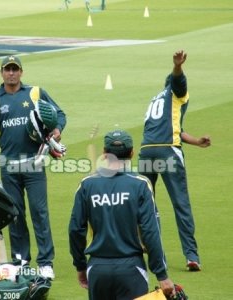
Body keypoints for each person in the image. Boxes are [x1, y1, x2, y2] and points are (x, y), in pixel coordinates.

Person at [0, 55, 66, 280]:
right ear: (2, 73)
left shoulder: (35, 93)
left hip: (34, 163)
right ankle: (21, 260)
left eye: (15, 69)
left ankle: (45, 262)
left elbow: (60, 115)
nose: (11, 73)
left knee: (40, 213)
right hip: (9, 168)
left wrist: (56, 131)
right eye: (7, 69)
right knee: (15, 216)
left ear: (21, 72)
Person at [69, 129, 176, 300]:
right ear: (132, 153)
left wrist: (80, 266)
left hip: (97, 269)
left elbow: (75, 229)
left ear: (104, 154)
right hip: (131, 269)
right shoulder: (141, 185)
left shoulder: (87, 185)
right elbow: (151, 231)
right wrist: (161, 274)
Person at [138, 50, 211, 272]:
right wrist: (177, 65)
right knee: (181, 203)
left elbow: (177, 129)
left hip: (146, 151)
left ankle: (146, 246)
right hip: (168, 153)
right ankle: (191, 255)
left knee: (145, 202)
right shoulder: (176, 92)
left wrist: (197, 141)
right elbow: (178, 79)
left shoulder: (157, 98)